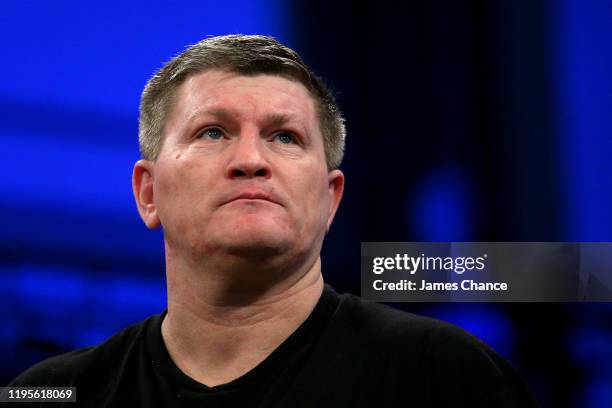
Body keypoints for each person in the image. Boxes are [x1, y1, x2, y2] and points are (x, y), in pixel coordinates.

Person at [5, 34, 538, 407]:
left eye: (285, 136)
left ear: (331, 201)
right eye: (212, 132)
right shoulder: (53, 392)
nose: (251, 160)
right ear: (149, 193)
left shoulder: (447, 378)